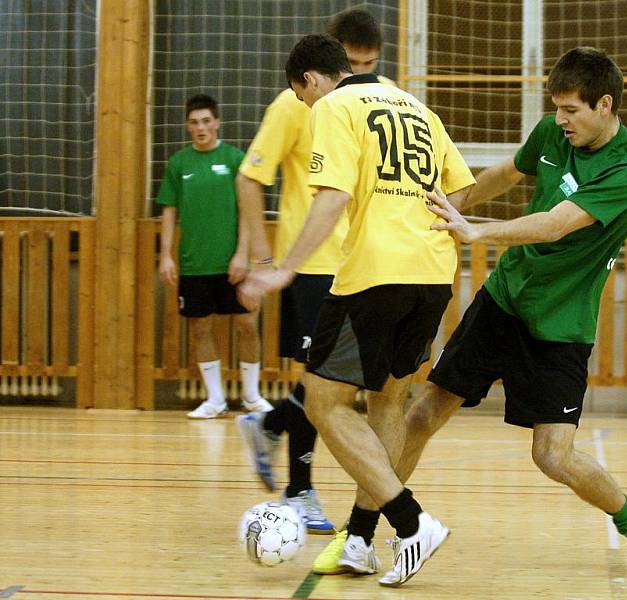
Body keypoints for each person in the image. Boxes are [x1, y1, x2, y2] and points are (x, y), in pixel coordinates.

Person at [315, 46, 627, 579]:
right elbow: (507, 173)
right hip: (504, 299)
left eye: (571, 110)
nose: (560, 120)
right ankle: (361, 537)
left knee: (553, 456)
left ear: (605, 105)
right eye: (556, 108)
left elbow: (557, 222)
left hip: (560, 324)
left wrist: (479, 232)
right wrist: (452, 206)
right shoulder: (553, 134)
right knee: (421, 414)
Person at [238, 34, 475, 587]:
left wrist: (286, 267)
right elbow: (461, 190)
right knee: (386, 403)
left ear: (311, 80)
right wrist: (422, 226)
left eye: (302, 98)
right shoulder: (416, 106)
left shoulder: (335, 106)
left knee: (323, 402)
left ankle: (412, 523)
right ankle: (363, 542)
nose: (306, 107)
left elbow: (333, 196)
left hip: (374, 272)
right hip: (433, 275)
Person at [234, 9, 392, 535]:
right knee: (324, 383)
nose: (361, 74)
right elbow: (250, 177)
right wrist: (262, 259)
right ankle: (299, 490)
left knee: (338, 388)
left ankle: (271, 424)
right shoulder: (294, 104)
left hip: (366, 264)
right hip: (314, 266)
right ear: (329, 61)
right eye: (352, 64)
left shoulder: (380, 98)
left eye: (370, 65)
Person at [157, 94, 271, 419]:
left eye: (206, 121)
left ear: (217, 122)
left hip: (232, 264)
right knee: (200, 328)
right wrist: (166, 256)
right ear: (187, 126)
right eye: (194, 122)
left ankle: (251, 396)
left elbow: (247, 210)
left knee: (247, 324)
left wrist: (242, 254)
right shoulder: (179, 163)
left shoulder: (235, 158)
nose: (200, 127)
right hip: (194, 264)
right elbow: (168, 211)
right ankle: (215, 399)